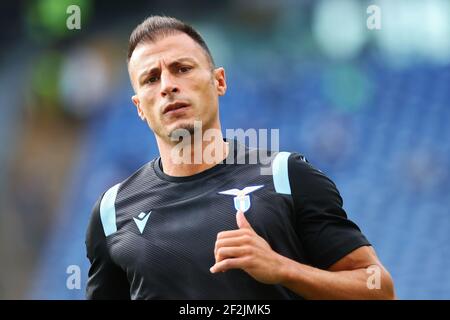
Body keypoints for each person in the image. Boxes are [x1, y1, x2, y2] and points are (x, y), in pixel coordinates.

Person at [85, 15, 395, 300]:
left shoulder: (285, 176)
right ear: (139, 106)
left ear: (218, 81)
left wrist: (282, 268)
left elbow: (379, 290)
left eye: (182, 68)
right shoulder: (112, 212)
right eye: (151, 78)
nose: (167, 86)